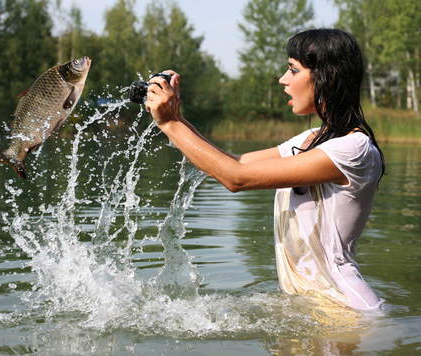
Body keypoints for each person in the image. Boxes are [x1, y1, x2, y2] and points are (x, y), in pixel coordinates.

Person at [144, 28, 386, 310]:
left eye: (293, 70)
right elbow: (236, 162)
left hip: (346, 310)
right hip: (311, 307)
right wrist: (175, 116)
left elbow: (236, 179)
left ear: (327, 77)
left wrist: (169, 125)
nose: (283, 80)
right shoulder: (313, 139)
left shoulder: (353, 149)